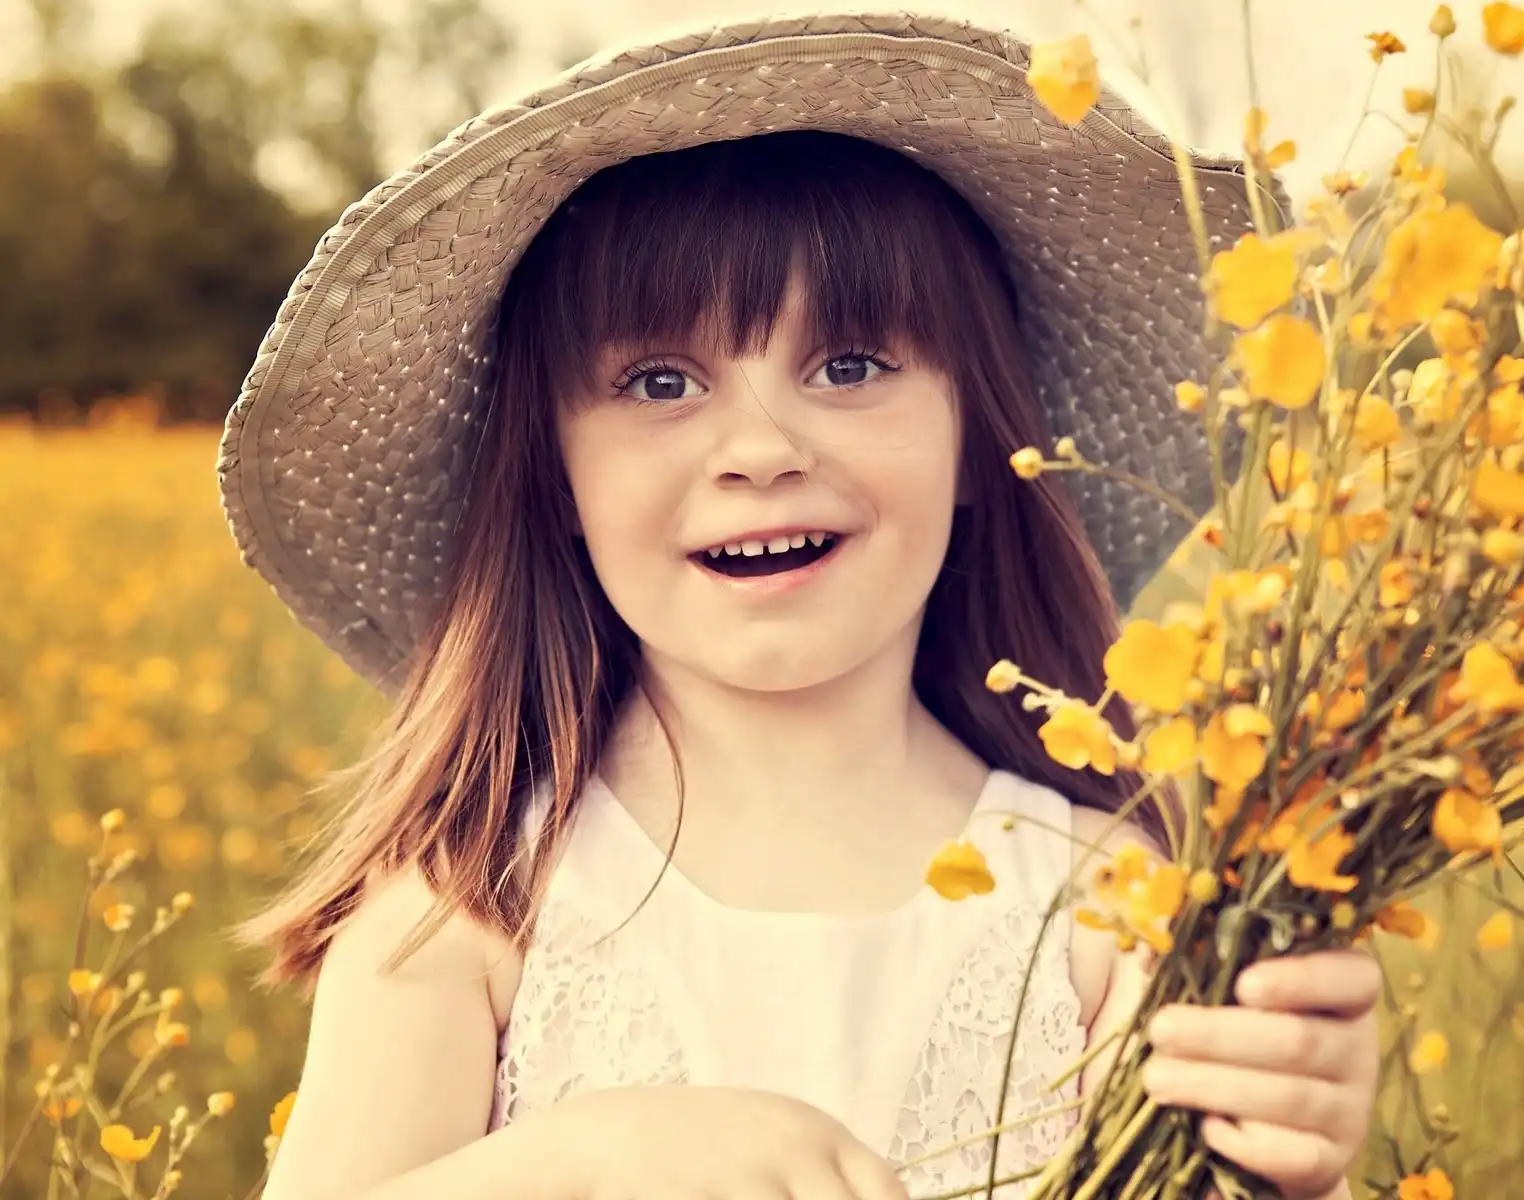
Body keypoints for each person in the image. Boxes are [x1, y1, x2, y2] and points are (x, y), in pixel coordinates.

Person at [217, 10, 1382, 1200]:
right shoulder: (465, 915)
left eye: (851, 366)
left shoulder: (1105, 911)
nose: (762, 448)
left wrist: (1293, 1149)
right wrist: (585, 1164)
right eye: (661, 383)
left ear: (983, 442)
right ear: (553, 477)